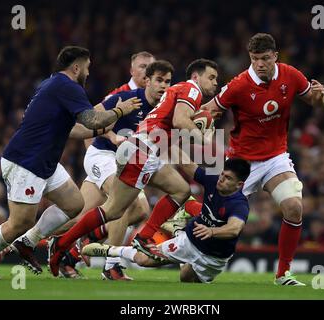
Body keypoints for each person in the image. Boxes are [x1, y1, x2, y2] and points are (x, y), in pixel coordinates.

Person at [0, 46, 140, 279]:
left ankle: (29, 242)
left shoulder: (54, 84)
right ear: (76, 67)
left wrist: (100, 129)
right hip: (26, 162)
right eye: (87, 67)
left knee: (74, 203)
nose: (88, 72)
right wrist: (119, 111)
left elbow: (75, 129)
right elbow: (89, 119)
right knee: (19, 222)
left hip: (43, 162)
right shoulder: (68, 86)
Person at [47, 59, 219, 277]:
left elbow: (175, 128)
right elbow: (180, 120)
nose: (215, 83)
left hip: (146, 148)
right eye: (211, 77)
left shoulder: (180, 90)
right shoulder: (192, 90)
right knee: (114, 210)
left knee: (181, 190)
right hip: (141, 151)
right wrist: (204, 138)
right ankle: (65, 245)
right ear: (196, 77)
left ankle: (143, 237)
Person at [5, 60, 174, 280]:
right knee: (125, 203)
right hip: (103, 155)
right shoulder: (126, 96)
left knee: (86, 215)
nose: (162, 84)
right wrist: (113, 137)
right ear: (141, 75)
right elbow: (91, 119)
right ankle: (111, 266)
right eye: (150, 72)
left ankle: (34, 242)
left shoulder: (164, 106)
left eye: (167, 81)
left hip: (127, 162)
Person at [203, 33, 324, 285]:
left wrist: (320, 95)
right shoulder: (238, 85)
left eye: (265, 59)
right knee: (212, 220)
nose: (260, 64)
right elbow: (209, 110)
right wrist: (197, 127)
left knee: (294, 207)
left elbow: (315, 102)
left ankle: (283, 273)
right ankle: (188, 255)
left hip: (275, 158)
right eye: (255, 59)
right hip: (241, 162)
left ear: (275, 57)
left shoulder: (291, 75)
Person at [82, 157, 250, 283]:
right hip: (190, 241)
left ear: (239, 184)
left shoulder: (239, 204)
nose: (221, 179)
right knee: (142, 259)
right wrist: (174, 137)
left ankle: (177, 230)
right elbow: (187, 165)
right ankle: (109, 251)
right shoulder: (213, 180)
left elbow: (234, 228)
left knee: (186, 279)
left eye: (228, 178)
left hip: (214, 258)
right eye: (222, 174)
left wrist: (212, 231)